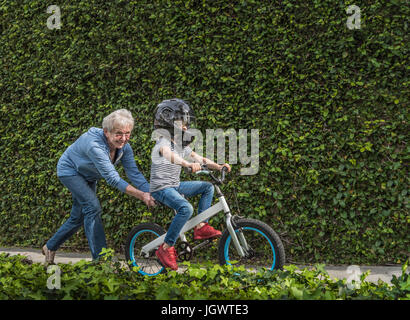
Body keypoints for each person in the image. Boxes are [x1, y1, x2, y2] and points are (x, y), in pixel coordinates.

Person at [43, 109, 155, 264]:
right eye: (119, 134)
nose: (123, 139)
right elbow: (113, 179)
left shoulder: (124, 148)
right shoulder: (94, 145)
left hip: (89, 174)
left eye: (127, 133)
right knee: (92, 207)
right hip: (70, 171)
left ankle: (50, 246)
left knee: (78, 217)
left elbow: (134, 173)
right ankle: (102, 260)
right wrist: (141, 195)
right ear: (106, 132)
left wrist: (152, 191)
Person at [150, 99, 231, 270]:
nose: (186, 127)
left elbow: (199, 158)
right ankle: (165, 248)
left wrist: (218, 166)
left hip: (175, 185)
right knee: (186, 209)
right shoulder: (163, 142)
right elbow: (168, 155)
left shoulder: (181, 145)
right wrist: (185, 164)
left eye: (187, 123)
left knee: (207, 187)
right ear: (169, 123)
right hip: (161, 188)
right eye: (182, 123)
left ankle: (201, 227)